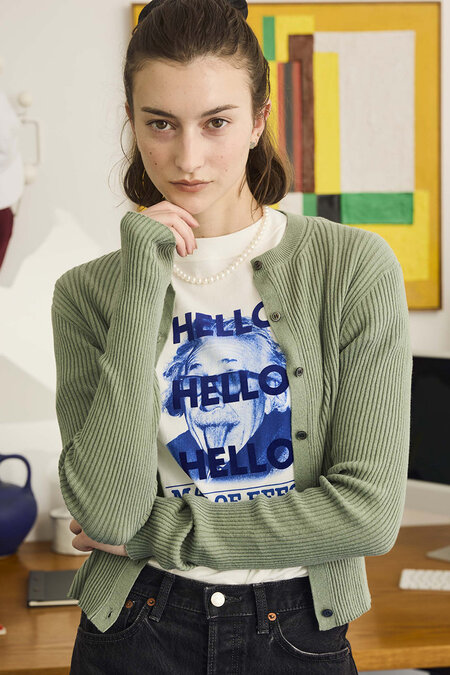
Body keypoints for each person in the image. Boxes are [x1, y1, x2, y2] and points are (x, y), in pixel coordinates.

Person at [51, 0, 413, 672]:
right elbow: (108, 513)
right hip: (136, 626)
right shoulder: (88, 293)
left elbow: (367, 514)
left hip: (296, 629)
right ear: (131, 120)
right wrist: (141, 280)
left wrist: (162, 531)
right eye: (160, 123)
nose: (188, 158)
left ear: (259, 120)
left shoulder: (352, 268)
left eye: (216, 122)